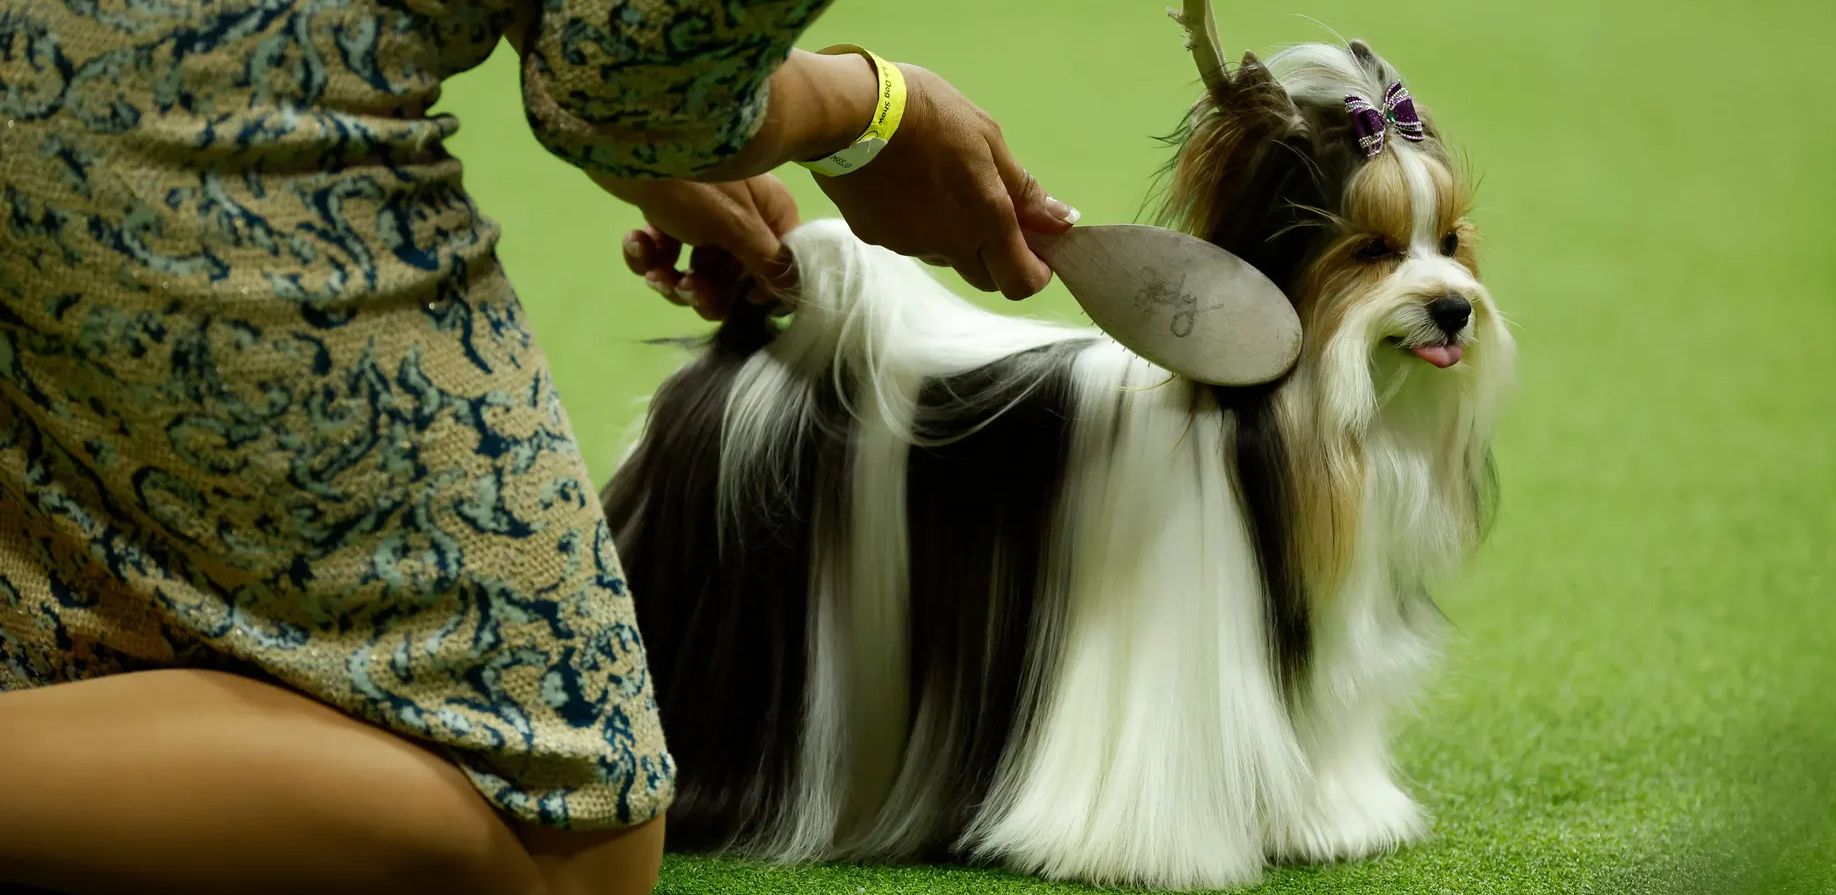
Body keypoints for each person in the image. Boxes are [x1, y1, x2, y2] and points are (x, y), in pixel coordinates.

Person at [0, 0, 1075, 891]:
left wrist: (635, 92)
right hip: (167, 111)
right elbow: (631, 85)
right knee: (551, 827)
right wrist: (868, 111)